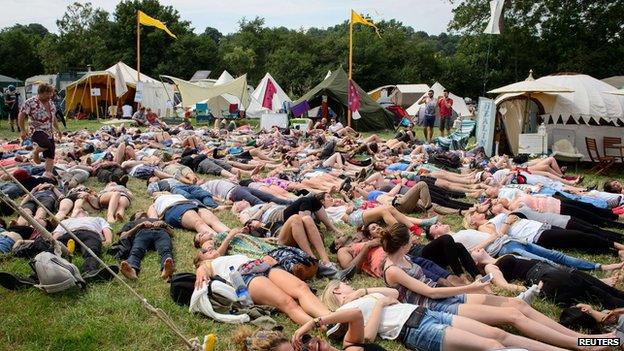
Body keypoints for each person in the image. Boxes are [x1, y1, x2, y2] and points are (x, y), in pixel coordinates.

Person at [380, 222, 605, 350]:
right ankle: (580, 346)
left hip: (447, 298)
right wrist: (469, 287)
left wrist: (464, 285)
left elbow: (432, 279)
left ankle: (580, 339)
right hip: (438, 306)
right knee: (512, 317)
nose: (414, 241)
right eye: (410, 238)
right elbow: (429, 292)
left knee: (519, 305)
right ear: (402, 244)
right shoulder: (393, 270)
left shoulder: (405, 258)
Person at [321, 281, 572, 351]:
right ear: (336, 294)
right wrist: (378, 306)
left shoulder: (364, 296)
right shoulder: (343, 312)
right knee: (492, 345)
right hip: (414, 328)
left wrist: (366, 291)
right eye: (341, 287)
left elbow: (391, 293)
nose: (346, 286)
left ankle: (583, 346)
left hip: (427, 313)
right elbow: (367, 336)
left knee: (500, 334)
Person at [472, 248, 624, 310]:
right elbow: (503, 285)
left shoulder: (501, 254)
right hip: (544, 277)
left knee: (604, 291)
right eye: (473, 252)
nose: (476, 248)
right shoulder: (489, 267)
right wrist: (532, 289)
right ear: (476, 262)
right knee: (599, 295)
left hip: (555, 271)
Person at [234, 308, 387, 351]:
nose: (310, 345)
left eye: (304, 340)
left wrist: (311, 323)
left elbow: (356, 314)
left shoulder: (351, 344)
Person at [18, 83, 62, 178]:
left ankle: (47, 175)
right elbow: (21, 116)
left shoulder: (51, 103)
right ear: (41, 93)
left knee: (51, 154)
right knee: (46, 144)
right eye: (47, 94)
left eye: (51, 94)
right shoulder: (30, 102)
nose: (50, 96)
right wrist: (22, 130)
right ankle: (35, 151)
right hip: (36, 130)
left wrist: (58, 129)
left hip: (49, 130)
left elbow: (53, 118)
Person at [117, 212, 175, 281]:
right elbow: (123, 236)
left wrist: (164, 225)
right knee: (136, 251)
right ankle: (132, 270)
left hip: (161, 232)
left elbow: (172, 234)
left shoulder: (156, 219)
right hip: (142, 233)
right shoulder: (132, 223)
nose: (141, 211)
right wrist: (138, 226)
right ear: (134, 218)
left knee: (166, 249)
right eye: (138, 211)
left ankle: (166, 270)